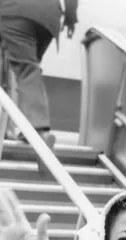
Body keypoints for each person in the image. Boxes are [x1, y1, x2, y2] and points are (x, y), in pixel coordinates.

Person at [0, 0, 78, 145]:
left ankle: (37, 129)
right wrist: (71, 18)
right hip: (48, 17)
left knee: (26, 70)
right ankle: (26, 126)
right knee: (29, 69)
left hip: (15, 10)